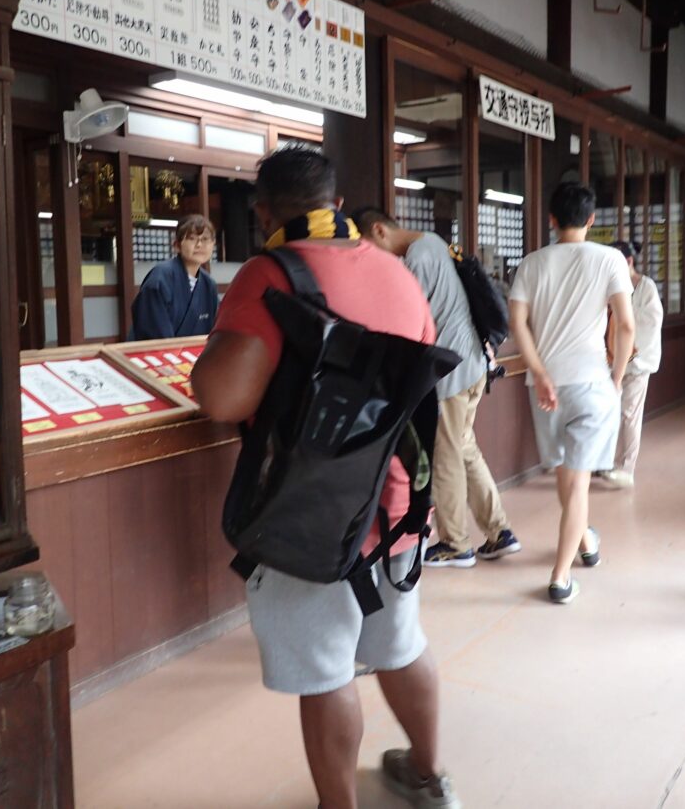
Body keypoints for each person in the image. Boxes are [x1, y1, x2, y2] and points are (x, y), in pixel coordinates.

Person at [192, 147, 461, 809]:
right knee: (400, 644)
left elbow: (222, 397)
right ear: (338, 205)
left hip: (306, 513)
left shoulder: (269, 273)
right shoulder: (396, 272)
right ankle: (429, 776)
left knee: (326, 670)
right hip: (396, 500)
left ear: (263, 214)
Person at [352, 208, 520, 568]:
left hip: (450, 371)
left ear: (379, 230)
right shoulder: (434, 244)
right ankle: (499, 530)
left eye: (367, 245)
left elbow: (409, 319)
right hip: (470, 363)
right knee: (463, 446)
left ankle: (456, 544)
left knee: (445, 456)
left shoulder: (419, 257)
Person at [509, 183, 635, 604]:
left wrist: (539, 371)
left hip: (545, 387)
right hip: (591, 382)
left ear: (551, 219)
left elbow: (518, 324)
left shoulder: (531, 263)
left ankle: (585, 541)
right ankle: (561, 578)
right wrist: (617, 377)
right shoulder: (610, 259)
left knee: (566, 473)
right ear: (592, 219)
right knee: (578, 481)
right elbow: (626, 325)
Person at [597, 241, 664, 488]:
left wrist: (623, 320)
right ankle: (606, 463)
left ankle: (626, 468)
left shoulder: (646, 287)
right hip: (609, 361)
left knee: (629, 415)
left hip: (637, 363)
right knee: (608, 413)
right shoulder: (608, 287)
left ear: (629, 262)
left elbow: (651, 324)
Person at [129, 214, 219, 340]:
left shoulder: (209, 284)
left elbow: (214, 331)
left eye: (205, 239)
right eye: (192, 238)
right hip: (160, 350)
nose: (199, 245)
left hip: (197, 351)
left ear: (213, 244)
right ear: (177, 245)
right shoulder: (159, 279)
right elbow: (154, 333)